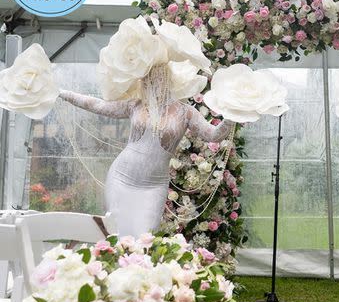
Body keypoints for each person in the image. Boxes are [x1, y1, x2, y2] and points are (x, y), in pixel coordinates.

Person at [59, 64, 234, 237]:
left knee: (145, 237)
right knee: (115, 232)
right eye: (147, 78)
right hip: (121, 178)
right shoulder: (135, 105)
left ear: (168, 80)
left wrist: (233, 116)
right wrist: (64, 94)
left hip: (153, 186)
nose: (151, 82)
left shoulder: (186, 112)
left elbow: (213, 135)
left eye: (157, 77)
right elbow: (98, 105)